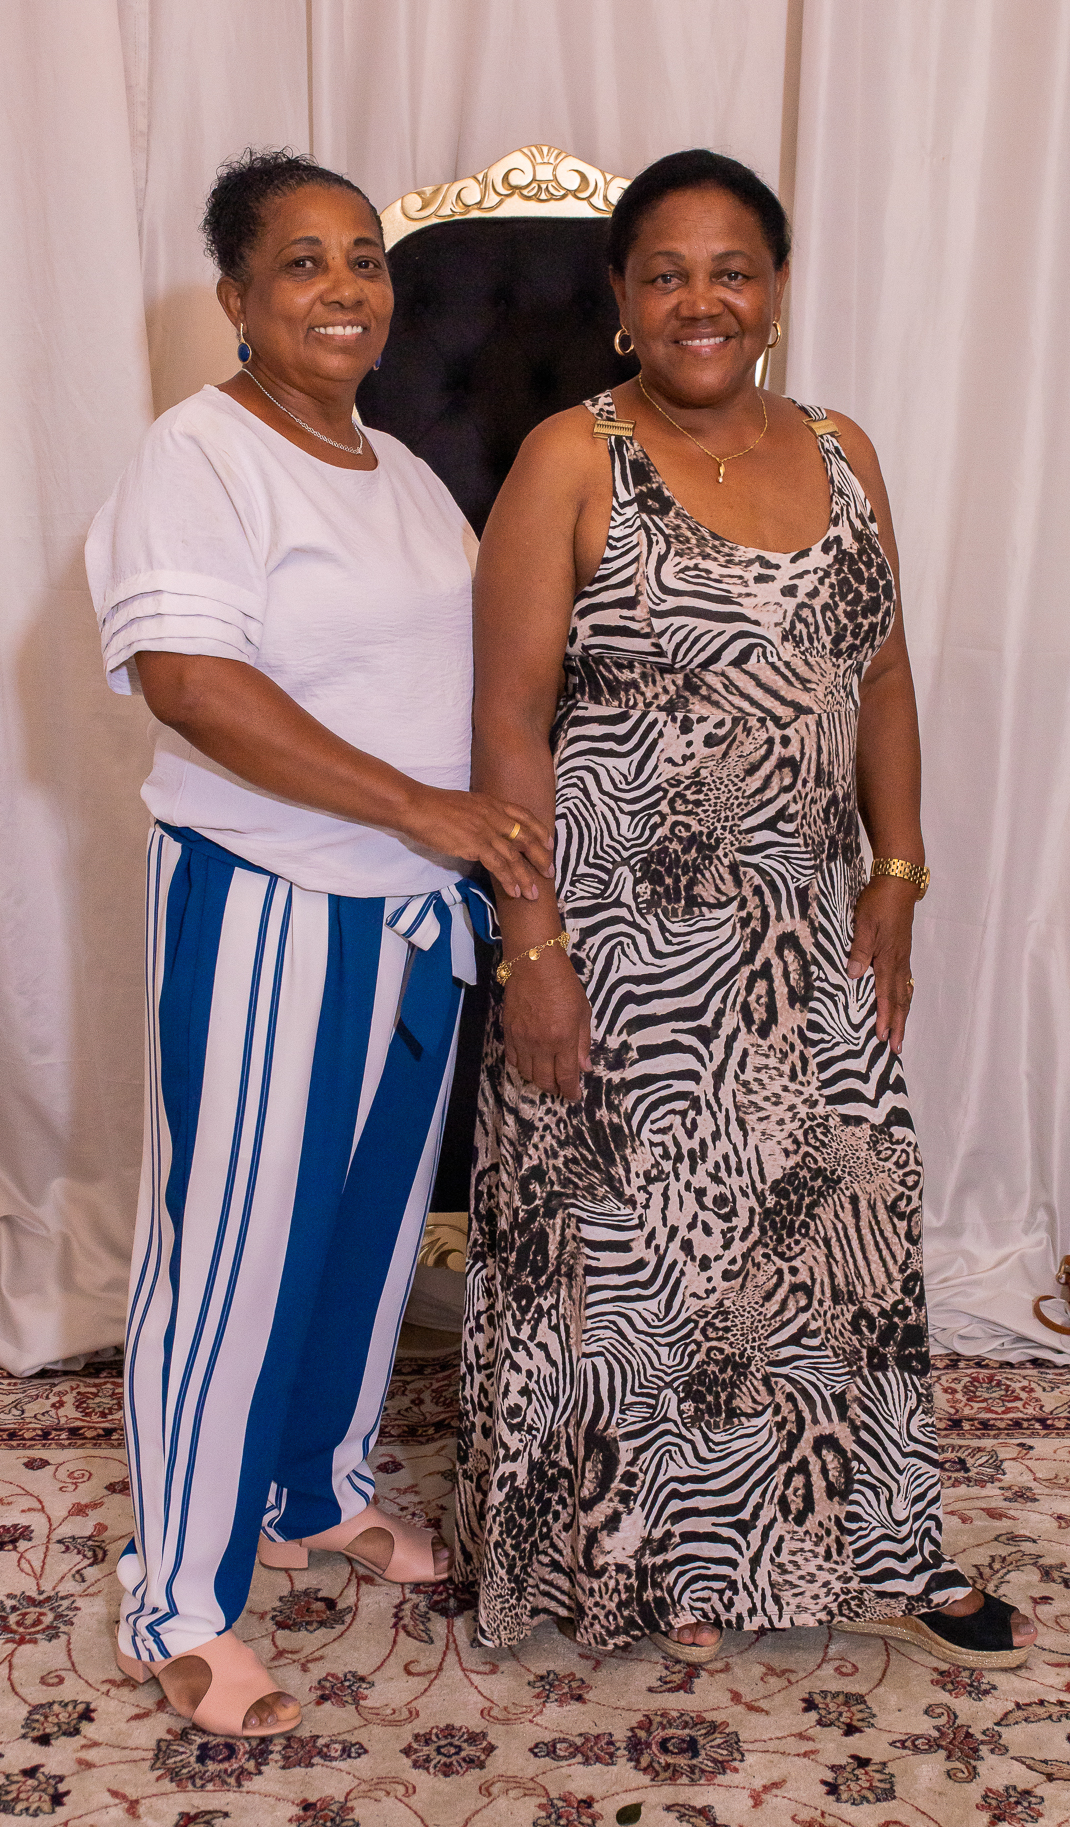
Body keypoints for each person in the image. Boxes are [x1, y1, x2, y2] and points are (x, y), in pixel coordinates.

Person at [456, 148, 1036, 1672]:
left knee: (842, 1225)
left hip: (798, 927)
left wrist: (895, 876)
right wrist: (532, 950)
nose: (699, 301)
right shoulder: (569, 460)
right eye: (665, 274)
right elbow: (505, 721)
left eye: (731, 271)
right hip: (618, 941)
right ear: (620, 298)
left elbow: (880, 675)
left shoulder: (842, 452)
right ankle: (665, 1568)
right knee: (645, 1268)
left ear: (774, 289)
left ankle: (877, 1545)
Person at [86, 149, 550, 1739]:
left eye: (363, 258)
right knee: (232, 1253)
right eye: (302, 262)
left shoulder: (398, 469)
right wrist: (419, 806)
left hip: (410, 915)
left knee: (359, 1238)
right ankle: (178, 1597)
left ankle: (311, 1491)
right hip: (269, 898)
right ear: (235, 296)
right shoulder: (199, 455)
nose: (345, 287)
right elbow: (191, 684)